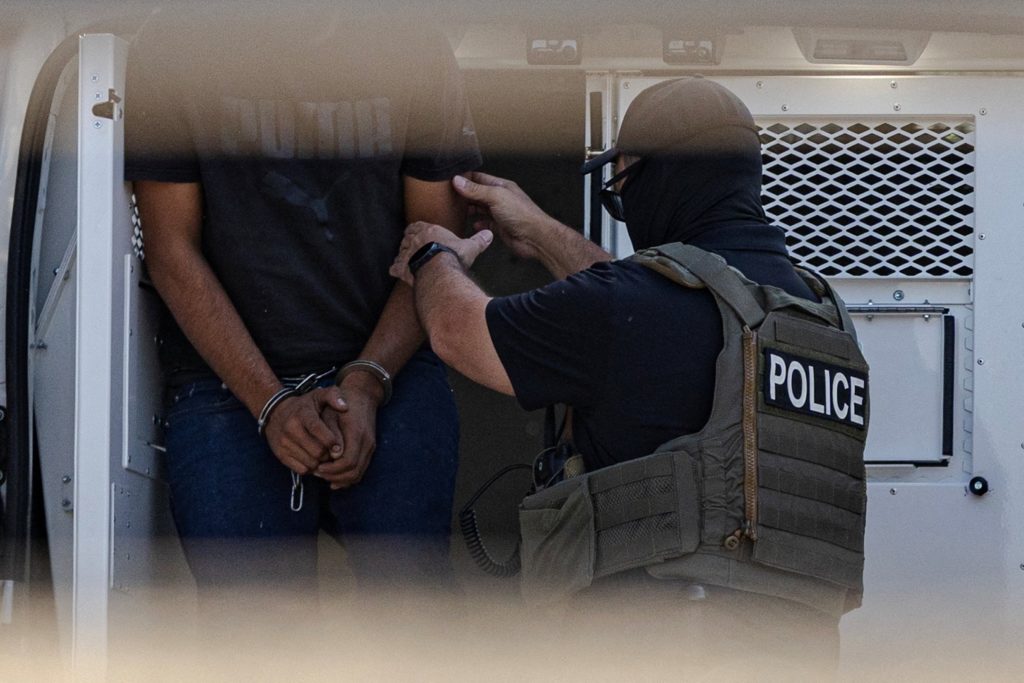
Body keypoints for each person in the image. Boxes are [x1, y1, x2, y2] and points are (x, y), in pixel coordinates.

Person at [390, 77, 869, 676]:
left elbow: (461, 333)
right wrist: (540, 230)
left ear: (650, 173)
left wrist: (435, 257)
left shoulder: (635, 310)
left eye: (622, 184)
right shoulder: (819, 319)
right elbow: (653, 309)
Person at [124, 7, 481, 603]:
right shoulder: (175, 42)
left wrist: (367, 382)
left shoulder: (414, 42)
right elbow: (170, 250)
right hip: (226, 383)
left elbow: (433, 251)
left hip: (388, 366)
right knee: (251, 627)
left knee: (411, 609)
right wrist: (268, 402)